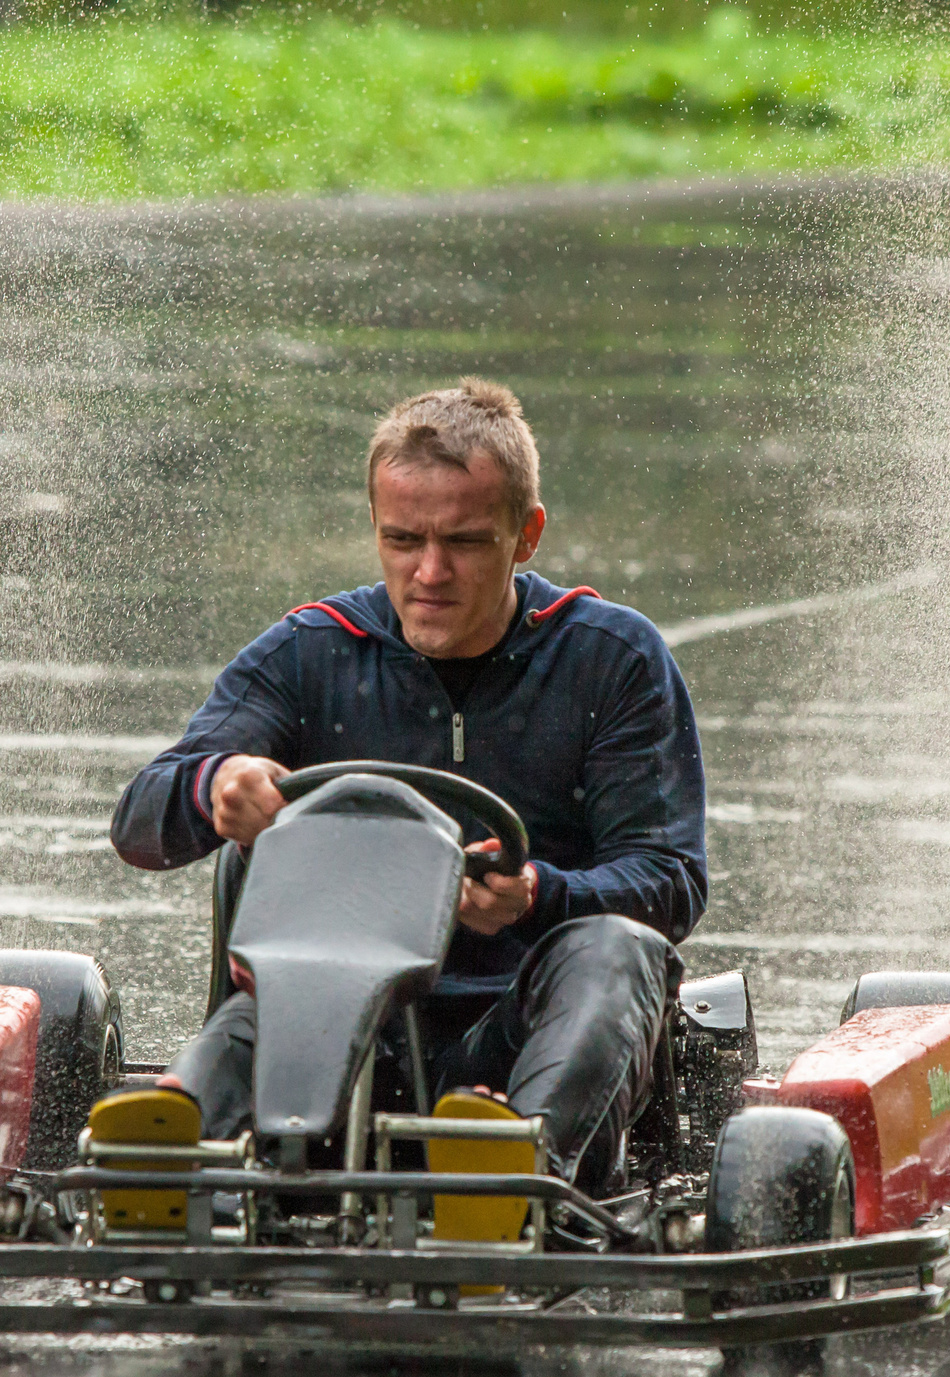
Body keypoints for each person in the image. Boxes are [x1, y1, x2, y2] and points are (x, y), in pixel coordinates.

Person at [107, 377, 708, 1189]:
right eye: (402, 540)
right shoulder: (310, 652)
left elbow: (670, 881)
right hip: (330, 1029)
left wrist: (537, 892)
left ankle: (512, 1179)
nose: (429, 571)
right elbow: (138, 823)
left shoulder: (612, 660)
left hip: (523, 1032)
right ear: (376, 530)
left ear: (525, 535)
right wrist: (215, 785)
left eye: (462, 541)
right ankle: (164, 1166)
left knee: (618, 946)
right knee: (259, 1017)